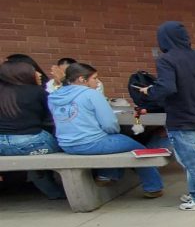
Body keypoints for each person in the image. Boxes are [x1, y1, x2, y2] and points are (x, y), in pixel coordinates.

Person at [137, 21, 195, 211]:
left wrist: (149, 91)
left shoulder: (166, 60)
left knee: (191, 161)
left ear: (163, 39)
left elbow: (167, 87)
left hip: (181, 118)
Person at [49, 63, 164, 197]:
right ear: (82, 79)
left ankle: (108, 175)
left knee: (114, 143)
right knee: (138, 148)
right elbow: (109, 124)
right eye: (94, 78)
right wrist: (114, 132)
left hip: (67, 145)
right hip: (92, 142)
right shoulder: (91, 94)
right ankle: (153, 188)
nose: (97, 82)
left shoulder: (54, 96)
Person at [0, 61, 66, 199]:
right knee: (65, 144)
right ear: (22, 74)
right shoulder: (37, 91)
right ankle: (54, 192)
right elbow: (52, 119)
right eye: (33, 71)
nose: (38, 73)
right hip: (31, 143)